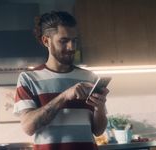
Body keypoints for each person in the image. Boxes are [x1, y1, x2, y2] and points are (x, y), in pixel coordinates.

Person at [13, 11, 109, 150]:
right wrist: (64, 96)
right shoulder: (29, 79)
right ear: (46, 41)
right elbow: (28, 127)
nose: (72, 47)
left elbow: (98, 130)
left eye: (74, 40)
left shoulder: (89, 77)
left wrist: (99, 107)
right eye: (64, 41)